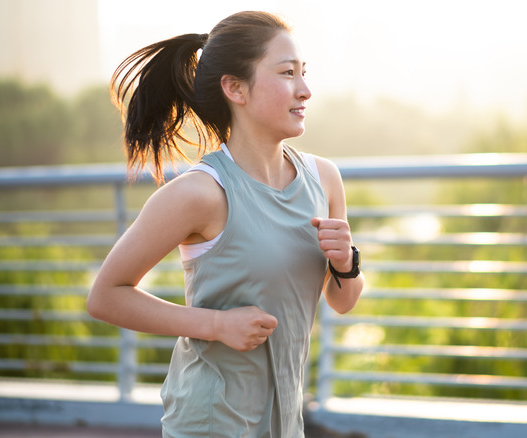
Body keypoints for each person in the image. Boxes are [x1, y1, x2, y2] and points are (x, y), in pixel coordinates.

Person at [86, 11, 364, 437]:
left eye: (304, 73)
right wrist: (216, 325)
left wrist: (346, 262)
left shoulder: (324, 179)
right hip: (212, 420)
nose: (305, 90)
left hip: (284, 420)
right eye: (287, 73)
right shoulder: (200, 193)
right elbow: (105, 296)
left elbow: (342, 301)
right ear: (235, 88)